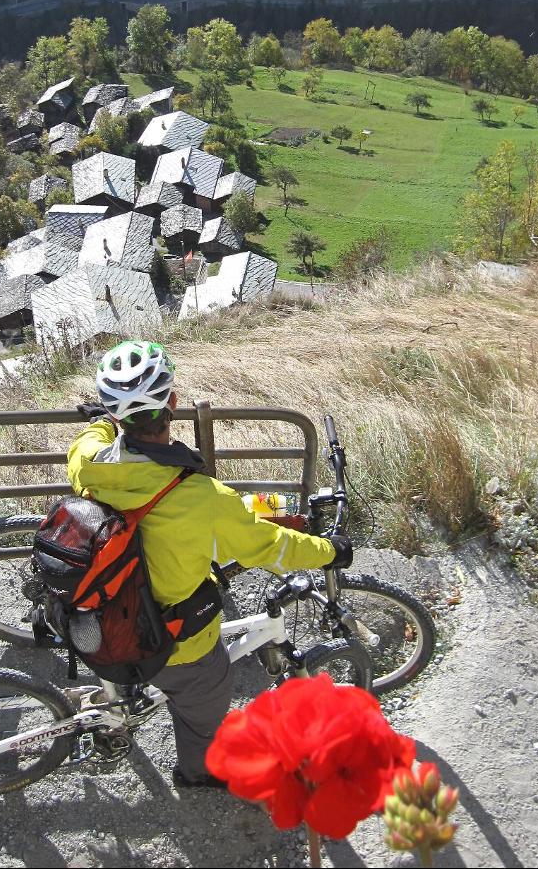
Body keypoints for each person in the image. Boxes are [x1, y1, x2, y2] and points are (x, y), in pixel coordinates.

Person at [66, 339, 352, 790]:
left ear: (116, 416)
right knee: (208, 700)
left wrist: (103, 425)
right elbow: (271, 547)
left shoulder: (89, 465)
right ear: (173, 405)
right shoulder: (199, 496)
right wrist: (330, 551)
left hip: (102, 615)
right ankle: (199, 773)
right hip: (173, 643)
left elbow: (87, 441)